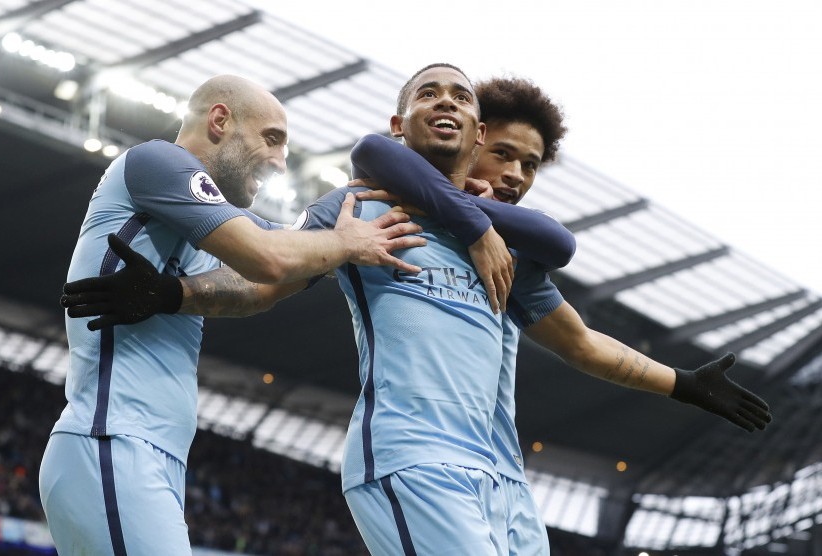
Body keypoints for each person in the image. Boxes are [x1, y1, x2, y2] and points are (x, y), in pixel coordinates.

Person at [61, 68, 772, 554]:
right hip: (415, 460)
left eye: (461, 96)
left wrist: (682, 383)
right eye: (430, 92)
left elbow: (582, 343)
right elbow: (265, 281)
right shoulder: (358, 206)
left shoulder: (505, 248)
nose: (448, 102)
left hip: (505, 479)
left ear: (474, 128)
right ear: (402, 124)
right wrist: (177, 293)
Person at [39, 74, 432, 556]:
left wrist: (409, 187)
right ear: (220, 120)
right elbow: (270, 258)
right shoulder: (156, 162)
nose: (281, 161)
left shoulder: (205, 219)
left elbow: (262, 282)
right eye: (272, 139)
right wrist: (347, 242)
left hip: (144, 452)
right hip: (112, 437)